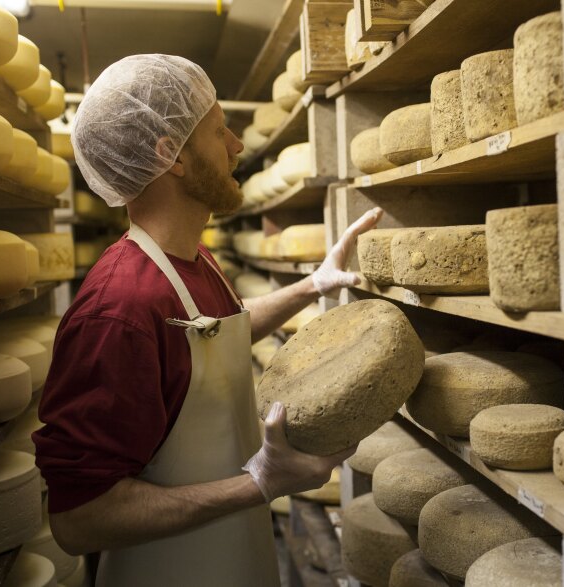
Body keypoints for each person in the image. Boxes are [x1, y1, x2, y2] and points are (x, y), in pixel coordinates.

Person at [32, 54, 383, 586]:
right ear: (171, 154)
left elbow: (215, 335)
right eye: (221, 131)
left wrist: (314, 283)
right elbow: (79, 519)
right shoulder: (118, 309)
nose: (237, 146)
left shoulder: (192, 262)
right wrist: (259, 482)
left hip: (233, 558)